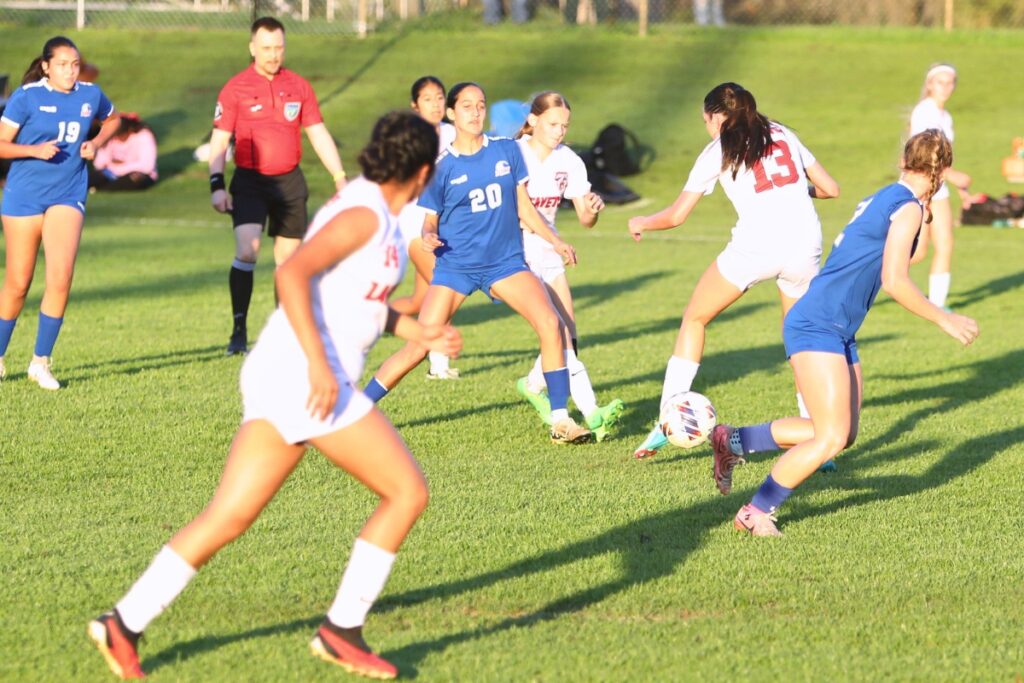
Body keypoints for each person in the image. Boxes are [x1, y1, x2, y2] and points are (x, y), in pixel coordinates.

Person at [88, 110, 461, 680]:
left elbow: (353, 300)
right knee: (406, 492)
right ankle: (342, 630)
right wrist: (318, 367)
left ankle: (123, 623)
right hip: (305, 375)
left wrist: (416, 330)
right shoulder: (365, 214)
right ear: (425, 169)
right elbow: (292, 275)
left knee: (229, 516)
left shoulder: (377, 209)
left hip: (281, 372)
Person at [710, 129, 979, 536]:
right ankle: (756, 511)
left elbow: (906, 252)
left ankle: (733, 441)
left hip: (835, 328)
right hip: (818, 324)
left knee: (842, 432)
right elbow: (895, 280)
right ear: (941, 171)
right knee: (830, 436)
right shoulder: (903, 207)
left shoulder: (889, 197)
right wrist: (945, 317)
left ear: (907, 160)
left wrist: (926, 210)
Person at [362, 82, 593, 445]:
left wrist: (556, 241)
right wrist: (427, 235)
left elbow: (523, 207)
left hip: (505, 263)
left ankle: (561, 419)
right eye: (466, 106)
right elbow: (429, 221)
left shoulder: (505, 151)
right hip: (457, 266)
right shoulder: (441, 168)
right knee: (419, 345)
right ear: (453, 114)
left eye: (480, 105)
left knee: (551, 323)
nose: (475, 111)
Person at [628, 82, 839, 459]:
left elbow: (676, 216)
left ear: (716, 117)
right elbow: (830, 188)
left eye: (706, 120)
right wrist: (794, 193)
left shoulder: (718, 149)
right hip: (806, 246)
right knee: (799, 341)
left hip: (757, 247)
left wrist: (642, 220)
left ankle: (667, 420)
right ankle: (816, 437)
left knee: (695, 318)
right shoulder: (782, 132)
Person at [209, 16, 348, 356]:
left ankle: (280, 332)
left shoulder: (299, 87)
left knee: (288, 262)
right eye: (266, 48)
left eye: (278, 48)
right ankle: (238, 331)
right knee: (247, 250)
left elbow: (317, 132)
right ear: (252, 48)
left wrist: (340, 176)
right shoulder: (235, 88)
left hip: (289, 182)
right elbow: (219, 141)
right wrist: (217, 184)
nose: (273, 55)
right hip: (250, 182)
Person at [0, 36, 120, 390]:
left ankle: (40, 362)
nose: (70, 71)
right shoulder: (27, 96)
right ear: (46, 66)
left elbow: (113, 121)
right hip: (23, 197)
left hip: (68, 194)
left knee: (61, 276)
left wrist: (96, 143)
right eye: (63, 64)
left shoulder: (90, 95)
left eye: (75, 64)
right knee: (19, 283)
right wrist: (33, 150)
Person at [512, 91, 625, 441]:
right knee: (557, 331)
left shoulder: (570, 161)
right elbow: (520, 211)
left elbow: (585, 219)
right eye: (552, 123)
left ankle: (534, 384)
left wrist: (592, 207)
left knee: (568, 336)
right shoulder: (513, 154)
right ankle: (591, 413)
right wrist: (555, 241)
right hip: (515, 250)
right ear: (532, 121)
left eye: (565, 125)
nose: (560, 131)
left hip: (549, 249)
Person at [392, 75, 459, 380]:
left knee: (421, 302)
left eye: (440, 97)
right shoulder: (408, 137)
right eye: (428, 98)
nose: (435, 104)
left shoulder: (454, 133)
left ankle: (356, 313)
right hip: (412, 224)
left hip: (442, 226)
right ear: (415, 105)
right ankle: (438, 362)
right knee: (446, 287)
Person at [909, 63, 972, 310]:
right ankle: (868, 271)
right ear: (929, 84)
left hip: (939, 188)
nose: (946, 87)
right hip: (922, 186)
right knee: (918, 251)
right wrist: (953, 175)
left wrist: (960, 188)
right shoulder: (925, 112)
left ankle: (937, 305)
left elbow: (944, 156)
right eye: (940, 82)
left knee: (946, 244)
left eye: (950, 82)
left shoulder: (945, 116)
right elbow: (922, 156)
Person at [88, 112, 158, 192]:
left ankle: (102, 189)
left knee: (136, 179)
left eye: (120, 135)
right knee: (90, 178)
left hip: (137, 174)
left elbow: (146, 167)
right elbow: (99, 163)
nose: (117, 138)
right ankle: (100, 188)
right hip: (111, 172)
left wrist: (120, 166)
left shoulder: (144, 136)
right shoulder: (110, 137)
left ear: (129, 130)